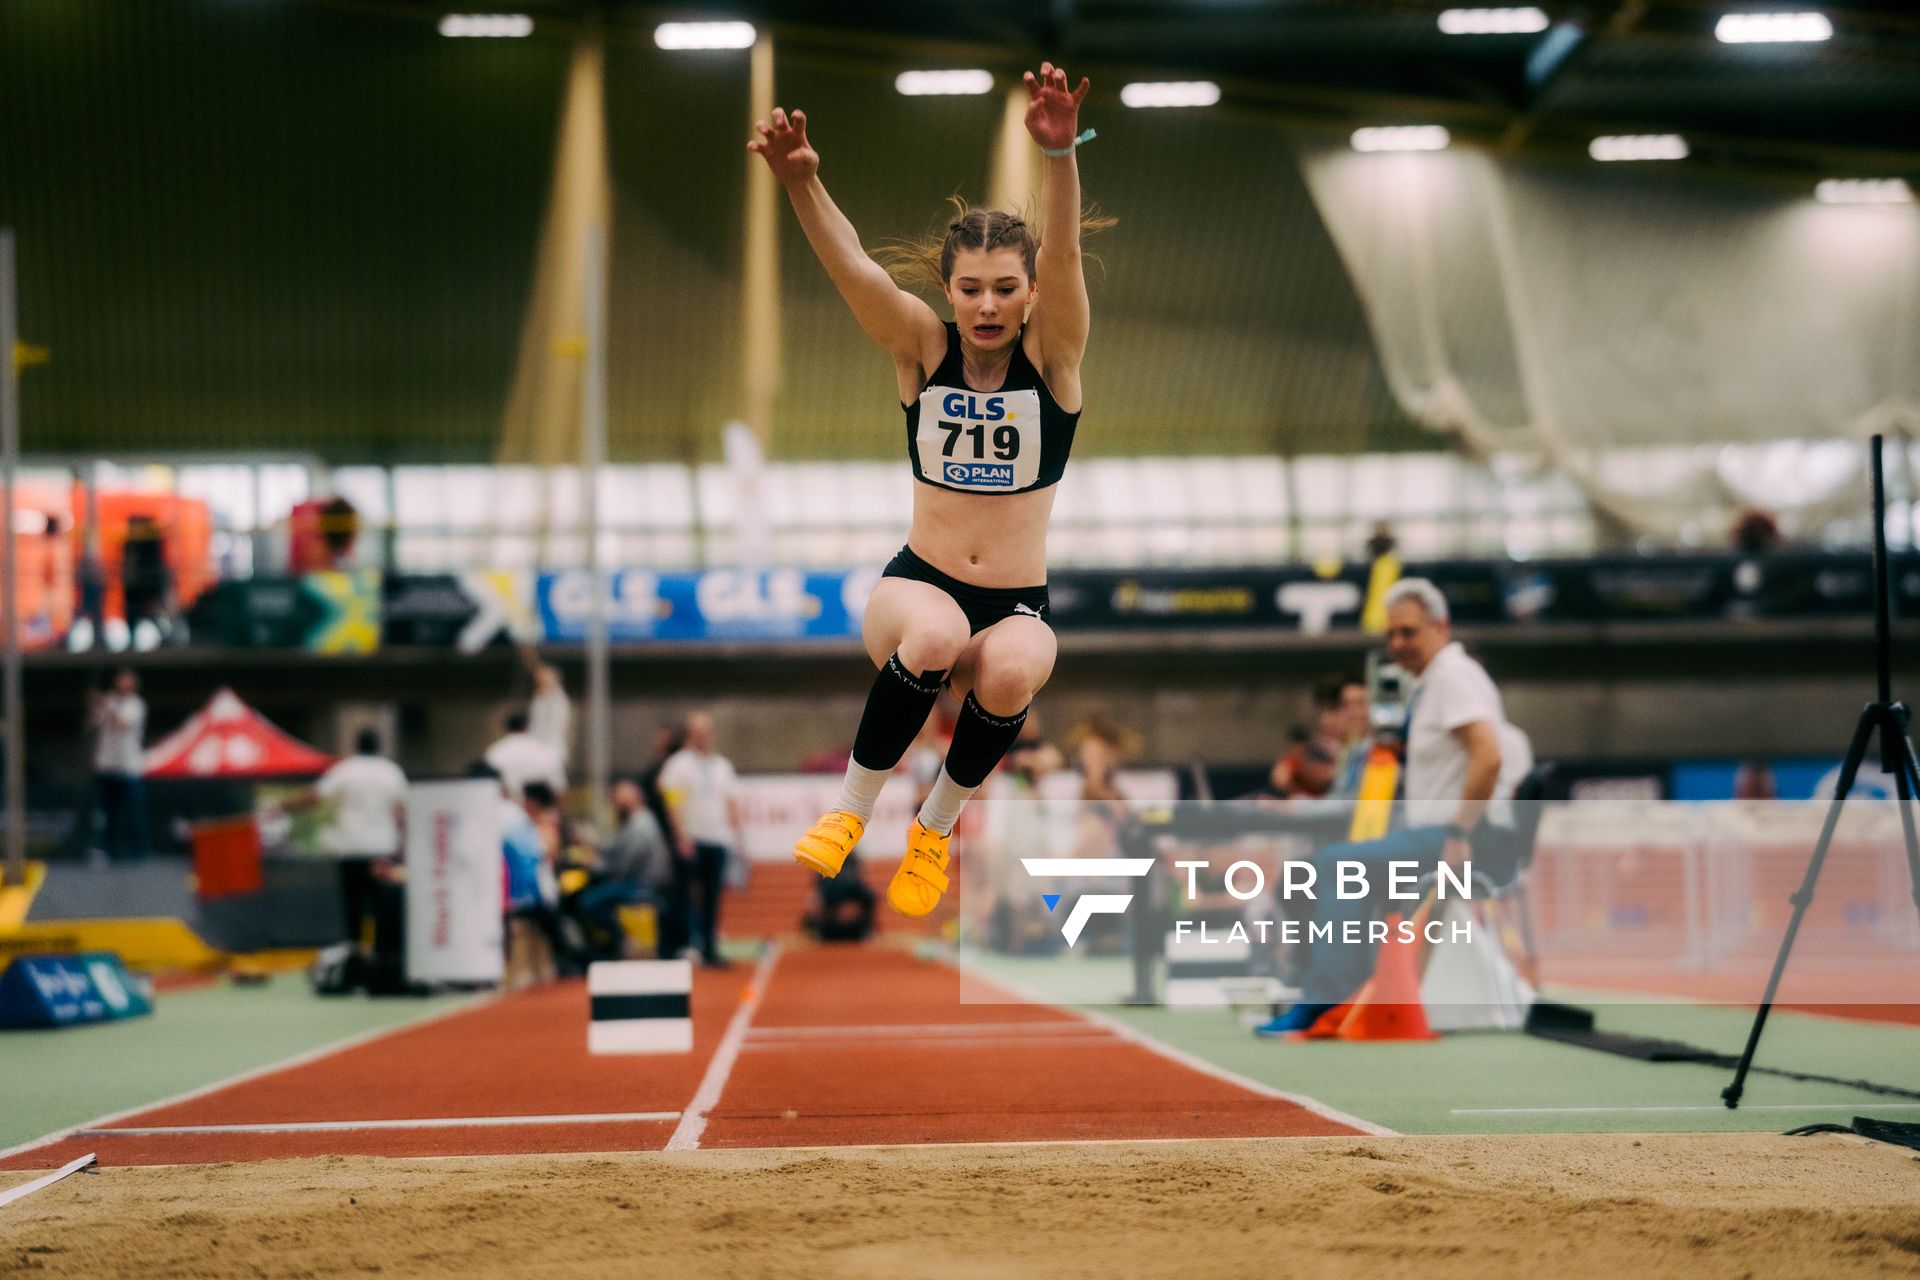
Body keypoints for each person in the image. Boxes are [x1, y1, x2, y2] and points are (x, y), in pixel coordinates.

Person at [752, 62, 1104, 917]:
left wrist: (1059, 159)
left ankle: (935, 830)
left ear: (1029, 296)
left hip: (1016, 600)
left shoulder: (1053, 362)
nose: (987, 305)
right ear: (947, 291)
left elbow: (1061, 257)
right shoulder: (922, 349)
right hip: (918, 588)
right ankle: (850, 810)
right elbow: (855, 273)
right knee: (941, 627)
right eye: (970, 289)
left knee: (1018, 664)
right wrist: (804, 184)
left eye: (1006, 290)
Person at [1256, 578, 1522, 1035]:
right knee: (1329, 866)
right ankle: (1345, 993)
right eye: (1391, 634)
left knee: (1338, 866)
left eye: (1409, 632)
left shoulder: (1451, 677)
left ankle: (1328, 1000)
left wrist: (1460, 832)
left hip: (1464, 839)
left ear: (1441, 627)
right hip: (1443, 833)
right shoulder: (1434, 682)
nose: (1397, 644)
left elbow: (1489, 755)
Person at [300, 729, 407, 953]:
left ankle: (355, 953)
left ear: (356, 746)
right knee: (382, 904)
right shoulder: (391, 772)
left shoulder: (344, 770)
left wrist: (285, 807)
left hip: (350, 847)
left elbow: (316, 796)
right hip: (382, 847)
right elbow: (401, 811)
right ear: (379, 746)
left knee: (352, 904)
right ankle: (382, 953)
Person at [658, 712, 743, 967]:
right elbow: (672, 801)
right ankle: (687, 945)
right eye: (697, 731)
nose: (703, 736)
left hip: (717, 838)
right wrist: (681, 836)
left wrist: (737, 839)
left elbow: (731, 803)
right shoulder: (679, 765)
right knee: (685, 896)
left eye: (706, 730)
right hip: (692, 838)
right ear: (690, 735)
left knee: (713, 896)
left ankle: (709, 947)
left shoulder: (722, 766)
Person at [89, 668, 147, 862]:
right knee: (109, 813)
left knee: (132, 811)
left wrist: (107, 705)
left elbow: (122, 723)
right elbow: (93, 725)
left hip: (128, 766)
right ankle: (112, 850)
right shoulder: (109, 700)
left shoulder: (136, 704)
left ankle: (137, 851)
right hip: (107, 766)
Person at [485, 710, 565, 802]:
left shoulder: (495, 752)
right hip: (538, 811)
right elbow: (560, 790)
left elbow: (489, 789)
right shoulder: (544, 750)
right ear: (528, 726)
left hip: (506, 810)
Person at [520, 645, 573, 771]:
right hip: (534, 752)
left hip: (551, 752)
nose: (539, 678)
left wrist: (532, 657)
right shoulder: (538, 697)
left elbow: (541, 671)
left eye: (544, 676)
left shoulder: (557, 698)